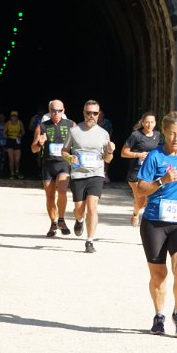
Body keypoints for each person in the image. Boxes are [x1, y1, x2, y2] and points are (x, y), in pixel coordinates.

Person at [133, 111, 177, 336]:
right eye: (172, 133)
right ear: (164, 132)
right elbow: (141, 189)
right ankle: (159, 315)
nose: (176, 138)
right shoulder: (155, 157)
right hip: (154, 222)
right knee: (159, 275)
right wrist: (162, 180)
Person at [62, 100, 115, 253]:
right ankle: (79, 219)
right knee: (79, 210)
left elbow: (107, 159)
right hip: (78, 174)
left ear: (99, 114)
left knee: (92, 207)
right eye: (88, 113)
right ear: (83, 113)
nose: (91, 116)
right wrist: (69, 158)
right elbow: (64, 151)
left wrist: (110, 151)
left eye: (95, 113)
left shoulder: (104, 133)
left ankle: (89, 241)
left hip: (96, 174)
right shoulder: (74, 131)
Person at [31, 99, 76, 237]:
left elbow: (79, 145)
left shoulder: (71, 125)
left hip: (63, 164)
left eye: (59, 110)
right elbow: (33, 149)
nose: (56, 113)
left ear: (64, 111)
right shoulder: (42, 126)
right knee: (50, 196)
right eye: (54, 110)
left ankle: (61, 219)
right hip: (48, 166)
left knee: (62, 191)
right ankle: (53, 223)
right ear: (49, 111)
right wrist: (39, 143)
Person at [122, 112, 162, 226]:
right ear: (143, 123)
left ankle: (149, 222)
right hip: (136, 172)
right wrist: (138, 155)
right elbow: (123, 152)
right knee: (141, 199)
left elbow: (162, 151)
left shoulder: (158, 135)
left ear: (155, 123)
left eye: (152, 122)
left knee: (149, 198)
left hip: (151, 172)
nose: (149, 125)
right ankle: (136, 214)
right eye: (147, 122)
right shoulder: (136, 135)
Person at [4, 110, 25, 179]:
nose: (14, 118)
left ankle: (17, 171)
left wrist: (20, 135)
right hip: (10, 141)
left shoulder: (19, 123)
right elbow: (4, 133)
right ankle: (12, 173)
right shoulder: (8, 123)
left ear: (17, 117)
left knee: (17, 159)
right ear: (10, 117)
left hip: (17, 140)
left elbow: (23, 132)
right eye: (12, 116)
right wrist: (7, 136)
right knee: (11, 159)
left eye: (15, 116)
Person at [97, 110, 114, 183]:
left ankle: (105, 174)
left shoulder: (107, 122)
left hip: (106, 142)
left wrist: (108, 140)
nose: (100, 115)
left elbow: (110, 130)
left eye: (101, 114)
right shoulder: (95, 122)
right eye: (98, 114)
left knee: (107, 158)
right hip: (97, 142)